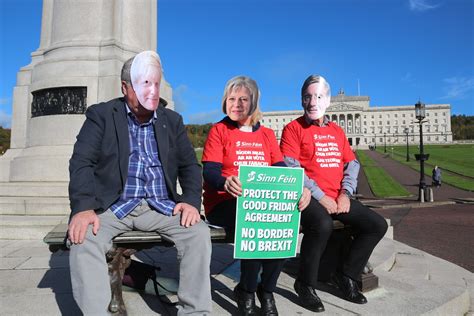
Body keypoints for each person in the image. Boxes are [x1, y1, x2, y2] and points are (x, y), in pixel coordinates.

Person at [68, 51, 212, 315]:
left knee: (197, 233)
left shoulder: (172, 120)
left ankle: (195, 312)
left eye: (155, 84)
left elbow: (190, 166)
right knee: (83, 238)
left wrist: (191, 201)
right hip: (113, 206)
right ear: (125, 87)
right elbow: (81, 162)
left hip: (160, 206)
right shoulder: (101, 115)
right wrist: (84, 207)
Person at [201, 76, 311, 316]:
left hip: (256, 201)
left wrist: (298, 189)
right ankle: (247, 290)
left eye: (243, 99)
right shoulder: (219, 130)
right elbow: (209, 171)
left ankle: (266, 289)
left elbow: (281, 170)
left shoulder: (267, 135)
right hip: (224, 201)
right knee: (257, 218)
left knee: (285, 219)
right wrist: (225, 181)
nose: (237, 104)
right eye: (232, 99)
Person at [280, 75, 388, 312]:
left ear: (327, 100)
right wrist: (320, 196)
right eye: (307, 96)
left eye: (318, 96)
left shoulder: (337, 131)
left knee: (377, 225)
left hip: (338, 196)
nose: (312, 102)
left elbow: (352, 164)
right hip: (309, 198)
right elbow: (291, 168)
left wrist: (345, 194)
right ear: (301, 100)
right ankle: (305, 284)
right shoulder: (293, 129)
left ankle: (347, 274)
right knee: (322, 225)